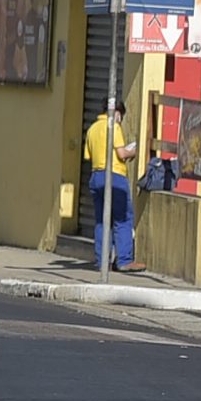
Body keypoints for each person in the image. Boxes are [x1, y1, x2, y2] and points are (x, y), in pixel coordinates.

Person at [82, 99, 141, 272]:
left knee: (102, 221)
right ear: (117, 113)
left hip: (96, 176)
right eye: (120, 116)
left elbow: (88, 156)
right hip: (115, 177)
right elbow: (121, 153)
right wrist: (133, 151)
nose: (120, 120)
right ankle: (124, 260)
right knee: (123, 219)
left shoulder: (92, 129)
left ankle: (102, 261)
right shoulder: (113, 127)